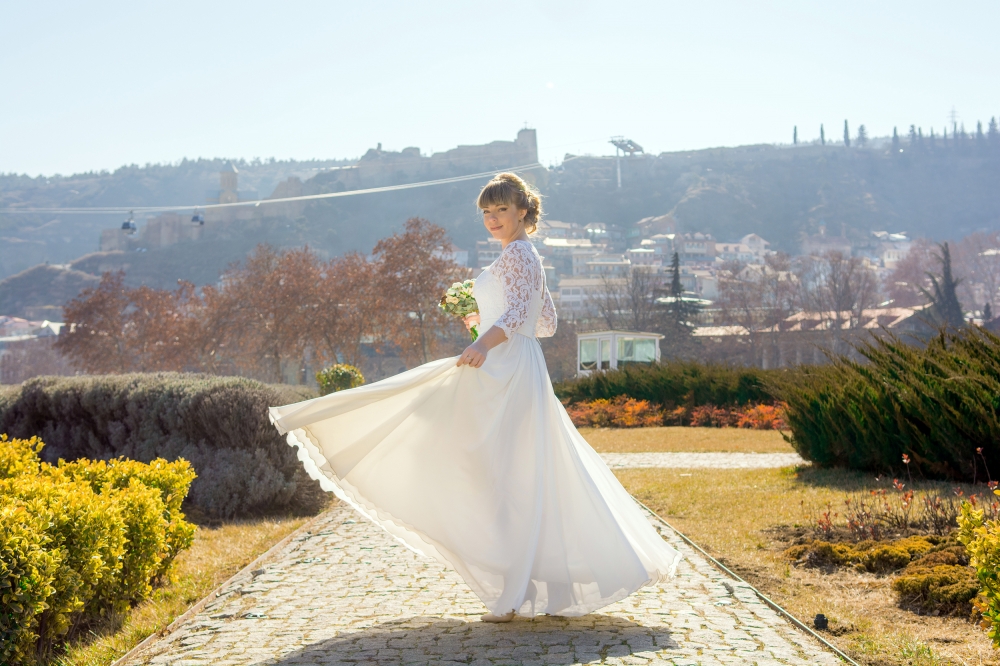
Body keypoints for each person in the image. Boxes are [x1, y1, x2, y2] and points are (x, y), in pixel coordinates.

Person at [269, 172, 680, 623]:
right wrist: (480, 320)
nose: (493, 218)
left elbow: (523, 314)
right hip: (514, 363)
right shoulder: (523, 255)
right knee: (518, 471)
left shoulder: (518, 254)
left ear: (523, 211)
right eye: (487, 211)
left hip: (505, 368)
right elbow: (545, 324)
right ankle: (537, 588)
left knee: (500, 471)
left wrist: (485, 340)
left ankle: (517, 591)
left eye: (501, 209)